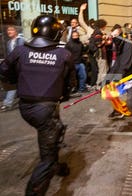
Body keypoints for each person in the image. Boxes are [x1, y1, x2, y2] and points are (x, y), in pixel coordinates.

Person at [0, 15, 76, 195]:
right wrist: (61, 95)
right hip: (47, 109)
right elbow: (70, 84)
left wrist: (19, 83)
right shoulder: (64, 55)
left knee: (52, 134)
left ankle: (58, 167)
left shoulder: (20, 51)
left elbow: (4, 73)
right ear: (56, 32)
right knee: (47, 156)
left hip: (26, 108)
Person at [0, 25, 25, 112]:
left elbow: (22, 53)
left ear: (16, 32)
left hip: (20, 67)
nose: (8, 32)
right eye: (8, 30)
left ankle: (7, 103)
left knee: (14, 85)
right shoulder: (9, 42)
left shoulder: (21, 40)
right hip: (14, 67)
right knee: (15, 84)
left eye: (11, 30)